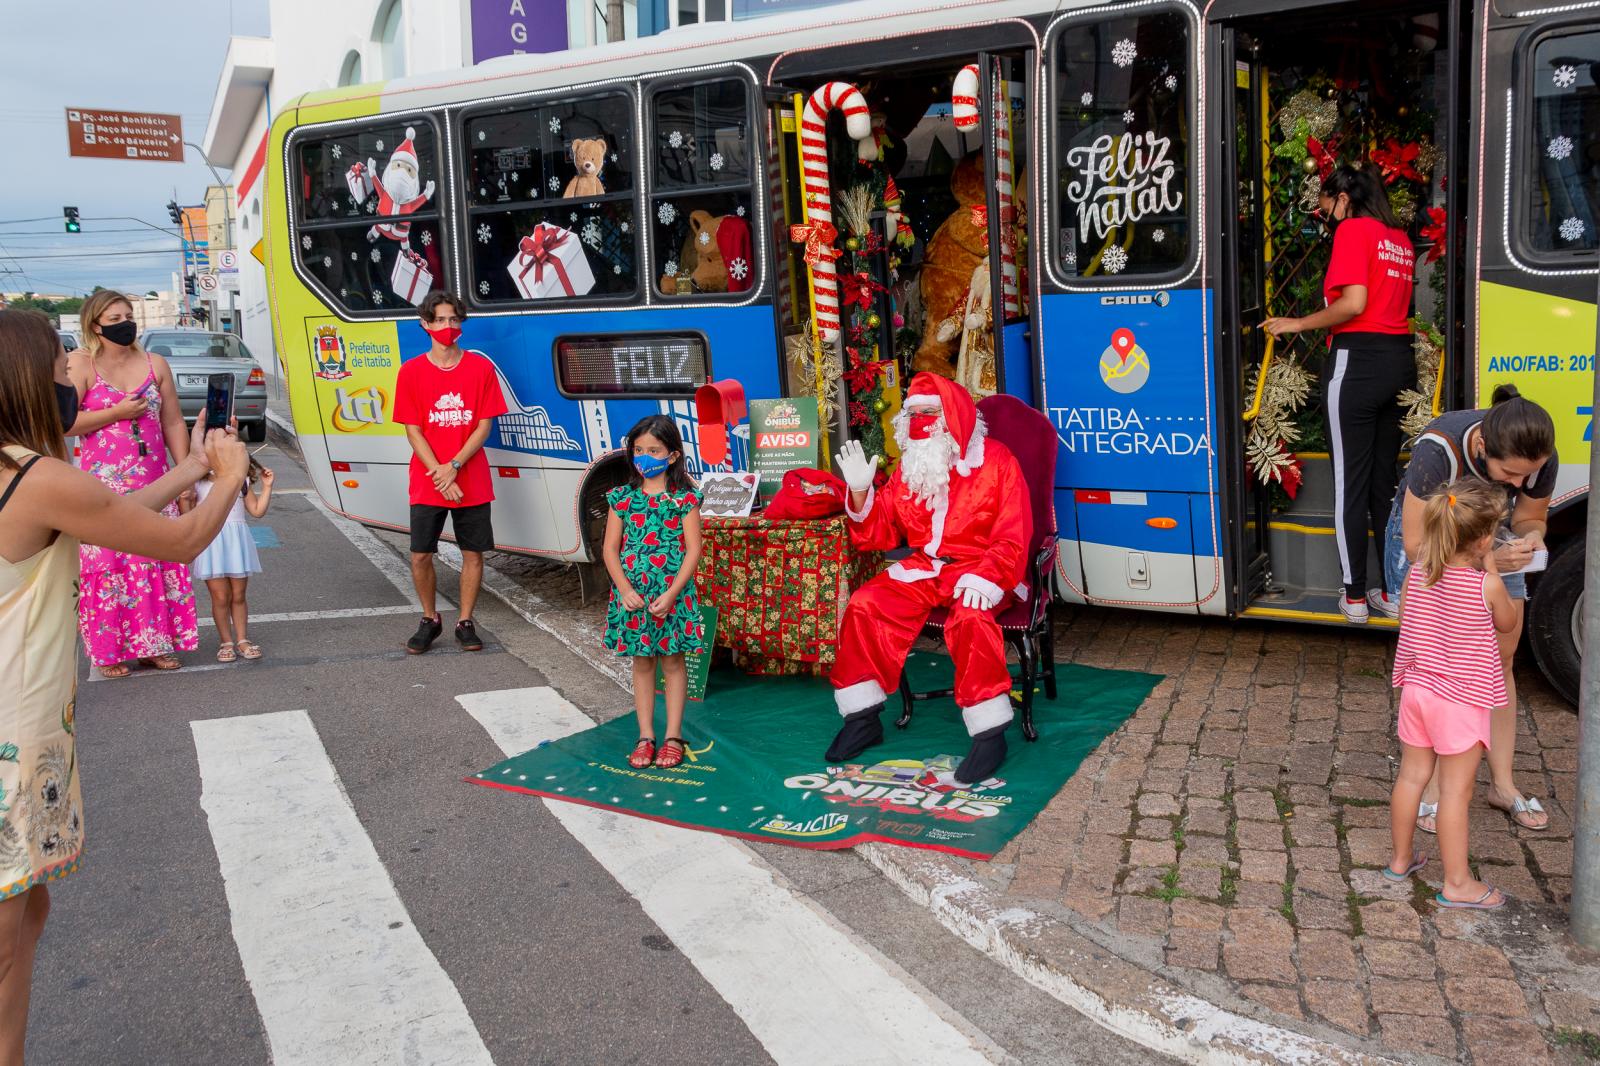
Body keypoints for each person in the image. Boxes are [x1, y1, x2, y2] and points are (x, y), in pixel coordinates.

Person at [0, 308, 247, 1065]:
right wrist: (231, 477)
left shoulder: (23, 472)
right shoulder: (34, 476)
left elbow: (106, 515)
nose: (72, 376)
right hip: (14, 734)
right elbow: (176, 540)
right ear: (25, 383)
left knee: (29, 909)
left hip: (24, 724)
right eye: (59, 368)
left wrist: (193, 469)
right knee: (8, 946)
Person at [827, 373, 1030, 786]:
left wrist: (988, 576)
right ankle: (863, 718)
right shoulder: (912, 467)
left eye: (928, 413)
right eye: (912, 413)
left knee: (970, 618)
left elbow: (1013, 533)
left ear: (953, 416)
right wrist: (862, 493)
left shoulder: (997, 462)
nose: (918, 421)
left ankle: (990, 733)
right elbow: (880, 533)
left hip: (983, 569)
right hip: (928, 567)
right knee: (867, 605)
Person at [1385, 385, 1558, 833]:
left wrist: (1531, 537)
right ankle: (1432, 787)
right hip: (1432, 540)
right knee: (1438, 664)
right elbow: (1417, 544)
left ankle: (1502, 785)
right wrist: (1486, 564)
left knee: (1499, 660)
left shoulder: (1536, 456)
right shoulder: (1438, 449)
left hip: (1489, 542)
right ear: (1482, 447)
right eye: (1511, 474)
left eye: (1528, 476)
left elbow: (1528, 517)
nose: (1519, 484)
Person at [1262, 164, 1416, 624]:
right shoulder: (1401, 241)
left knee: (1350, 484)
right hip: (1398, 362)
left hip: (1357, 363)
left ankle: (1352, 597)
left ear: (1345, 198)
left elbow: (1353, 304)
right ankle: (1392, 589)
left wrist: (1296, 323)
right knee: (1384, 483)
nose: (1323, 213)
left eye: (1326, 204)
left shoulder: (1353, 230)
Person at [1386, 478, 1517, 910]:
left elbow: (1407, 618)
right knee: (1455, 793)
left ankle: (1402, 860)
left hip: (1418, 692)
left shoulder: (1418, 574)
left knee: (1411, 777)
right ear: (1482, 540)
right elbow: (1506, 624)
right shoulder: (1486, 586)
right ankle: (1457, 883)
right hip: (1460, 701)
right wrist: (1493, 569)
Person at [67, 289, 201, 678]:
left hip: (155, 479)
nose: (125, 323)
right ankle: (109, 651)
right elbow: (66, 423)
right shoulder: (82, 366)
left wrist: (186, 473)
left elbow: (173, 421)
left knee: (154, 558)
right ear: (95, 325)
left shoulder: (154, 363)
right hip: (103, 486)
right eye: (114, 319)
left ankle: (154, 646)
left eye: (129, 315)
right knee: (109, 565)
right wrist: (116, 412)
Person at [393, 290, 507, 654]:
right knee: (420, 555)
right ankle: (430, 618)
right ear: (425, 324)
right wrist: (439, 474)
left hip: (469, 477)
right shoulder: (411, 371)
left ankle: (465, 621)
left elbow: (484, 426)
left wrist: (454, 466)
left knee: (472, 554)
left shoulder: (480, 367)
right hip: (428, 480)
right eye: (440, 319)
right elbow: (413, 429)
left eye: (454, 319)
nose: (448, 326)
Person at [601, 415, 707, 770]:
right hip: (634, 598)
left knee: (674, 662)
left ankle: (673, 736)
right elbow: (609, 550)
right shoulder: (622, 499)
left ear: (673, 456)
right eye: (638, 450)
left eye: (654, 450)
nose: (644, 457)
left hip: (671, 598)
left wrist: (674, 593)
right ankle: (646, 735)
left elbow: (693, 550)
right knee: (642, 662)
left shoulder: (685, 500)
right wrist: (625, 589)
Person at [187, 458, 275, 662]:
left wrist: (267, 487)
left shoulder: (240, 481)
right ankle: (226, 642)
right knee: (220, 597)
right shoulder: (198, 483)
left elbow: (257, 510)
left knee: (238, 594)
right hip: (211, 542)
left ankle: (242, 640)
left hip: (236, 542)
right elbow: (189, 516)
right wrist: (186, 498)